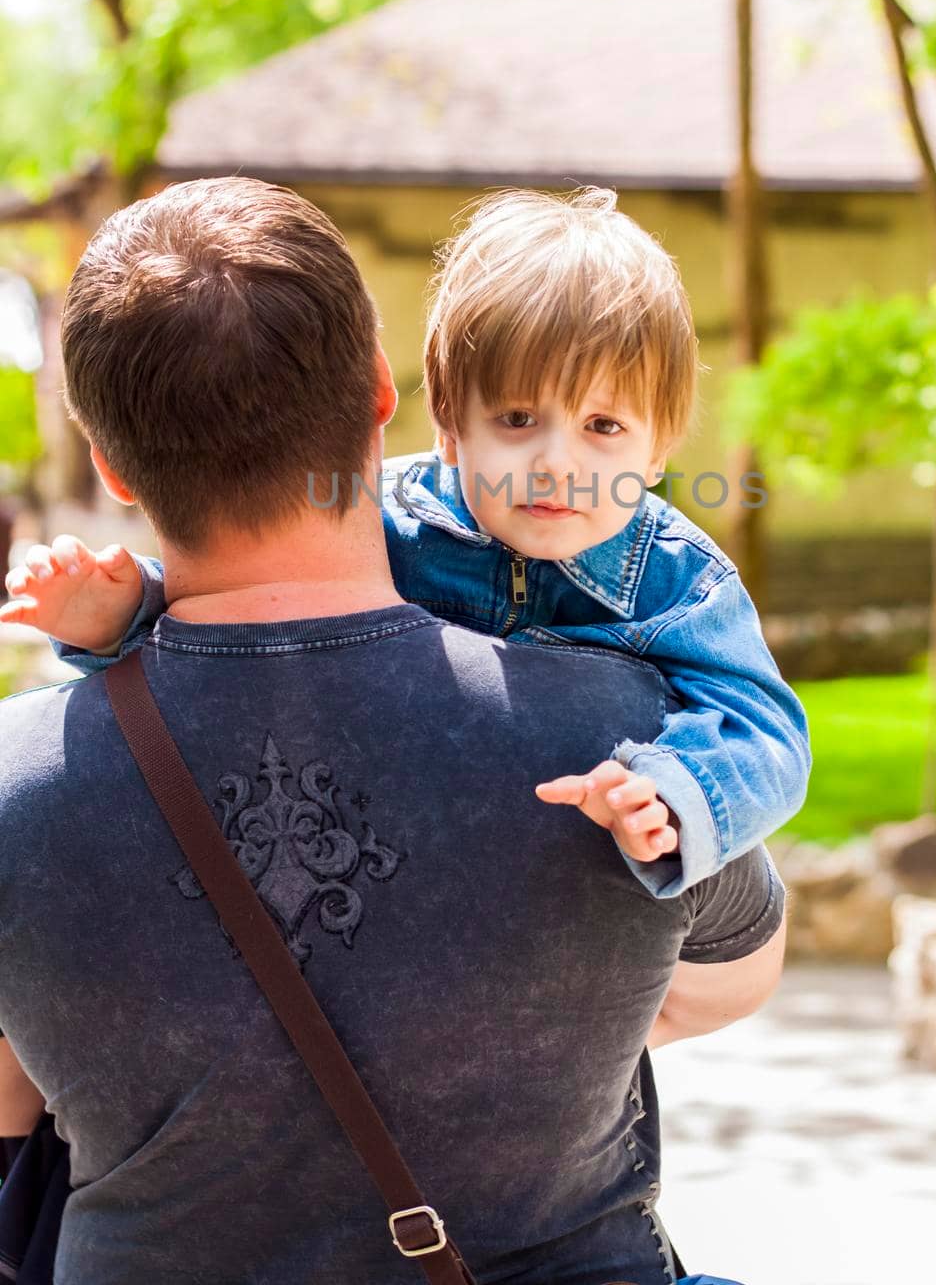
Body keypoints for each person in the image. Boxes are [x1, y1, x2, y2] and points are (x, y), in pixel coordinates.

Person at [0, 177, 786, 1284]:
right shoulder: (623, 735)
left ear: (113, 465)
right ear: (386, 396)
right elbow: (741, 971)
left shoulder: (15, 781)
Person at [6, 186, 811, 898]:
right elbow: (248, 607)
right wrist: (129, 608)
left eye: (604, 426)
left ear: (658, 448)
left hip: (555, 883)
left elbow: (763, 729)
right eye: (518, 419)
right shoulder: (383, 517)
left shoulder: (675, 581)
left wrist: (671, 794)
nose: (557, 463)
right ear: (450, 418)